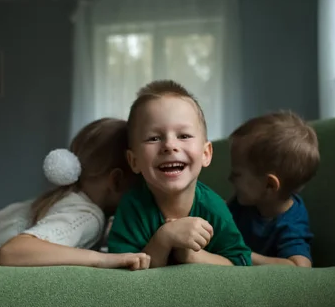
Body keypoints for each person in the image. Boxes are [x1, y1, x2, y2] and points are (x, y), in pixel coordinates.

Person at [0, 118, 151, 272]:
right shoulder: (88, 216)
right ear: (116, 181)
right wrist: (103, 259)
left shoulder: (64, 196)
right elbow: (10, 252)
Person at [107, 80, 252, 268]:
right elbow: (122, 275)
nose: (169, 145)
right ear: (134, 161)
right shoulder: (133, 207)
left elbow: (241, 263)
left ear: (205, 154)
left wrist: (193, 257)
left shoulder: (213, 207)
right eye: (154, 138)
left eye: (183, 136)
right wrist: (163, 239)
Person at [227, 111, 319, 267]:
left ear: (269, 185)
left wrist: (243, 255)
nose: (229, 178)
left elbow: (300, 267)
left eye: (237, 174)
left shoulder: (291, 222)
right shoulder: (245, 202)